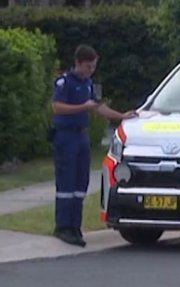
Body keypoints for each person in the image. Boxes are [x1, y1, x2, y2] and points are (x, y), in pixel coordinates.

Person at [51, 44, 136, 247]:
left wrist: (121, 116)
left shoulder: (87, 83)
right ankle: (63, 226)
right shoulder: (65, 83)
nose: (91, 70)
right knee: (67, 183)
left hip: (81, 136)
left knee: (81, 182)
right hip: (66, 137)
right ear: (78, 63)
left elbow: (98, 107)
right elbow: (57, 107)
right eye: (88, 66)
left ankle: (75, 225)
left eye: (93, 66)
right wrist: (82, 107)